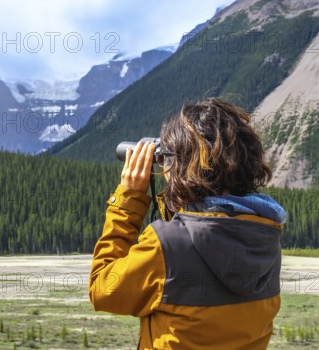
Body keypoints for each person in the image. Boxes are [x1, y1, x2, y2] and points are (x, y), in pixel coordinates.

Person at [88, 98, 287, 349]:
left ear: (183, 167)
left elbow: (102, 290)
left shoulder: (166, 245)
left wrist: (128, 199)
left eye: (167, 159)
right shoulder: (265, 234)